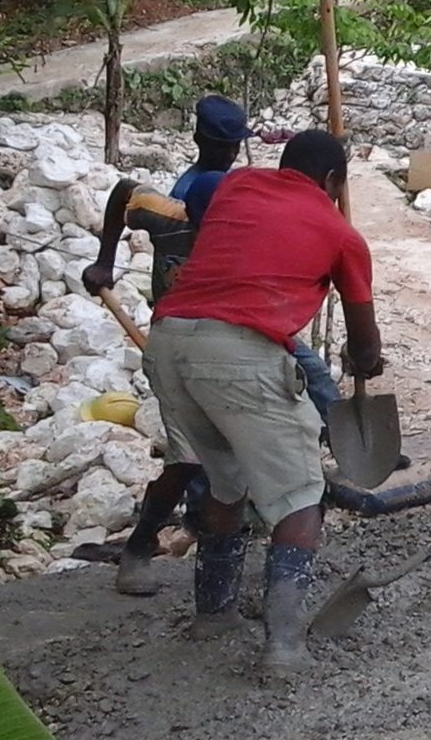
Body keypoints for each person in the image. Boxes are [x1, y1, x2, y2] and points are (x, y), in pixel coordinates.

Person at [79, 94, 341, 597]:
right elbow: (124, 192)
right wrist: (105, 261)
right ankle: (151, 544)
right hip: (194, 331)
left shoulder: (218, 194)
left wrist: (106, 259)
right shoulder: (196, 196)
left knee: (310, 386)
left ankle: (299, 491)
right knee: (191, 458)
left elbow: (123, 194)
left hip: (234, 331)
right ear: (204, 141)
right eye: (222, 144)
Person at [144, 129, 383, 670]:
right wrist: (366, 360)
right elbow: (365, 343)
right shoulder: (341, 234)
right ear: (331, 182)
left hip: (170, 341)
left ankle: (214, 614)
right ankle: (282, 646)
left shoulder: (236, 186)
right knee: (300, 495)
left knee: (225, 481)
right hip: (240, 354)